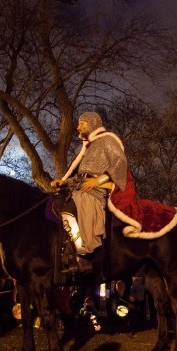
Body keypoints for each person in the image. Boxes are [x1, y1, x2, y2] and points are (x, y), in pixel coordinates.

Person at [50, 112, 128, 273]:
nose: (78, 127)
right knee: (56, 203)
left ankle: (84, 256)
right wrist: (64, 182)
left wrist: (97, 181)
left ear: (93, 123)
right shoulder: (89, 147)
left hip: (97, 190)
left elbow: (120, 163)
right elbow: (81, 177)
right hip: (80, 186)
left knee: (72, 205)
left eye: (82, 123)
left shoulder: (107, 140)